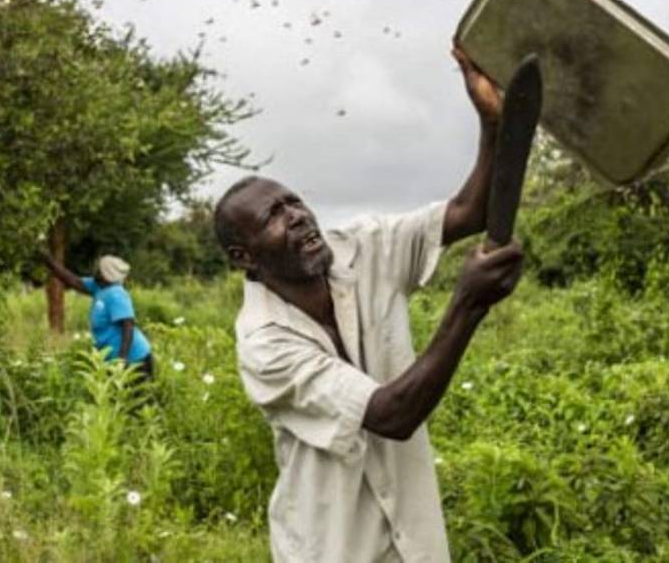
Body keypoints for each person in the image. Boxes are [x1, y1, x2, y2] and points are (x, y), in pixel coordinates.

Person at [212, 45, 525, 562]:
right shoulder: (264, 344)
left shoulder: (361, 247)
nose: (295, 216)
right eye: (272, 216)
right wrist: (467, 305)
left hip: (413, 539)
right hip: (333, 546)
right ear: (244, 257)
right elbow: (391, 414)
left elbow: (470, 211)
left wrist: (493, 124)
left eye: (294, 201)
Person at [45, 254, 154, 379]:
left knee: (137, 396)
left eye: (99, 269)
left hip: (135, 360)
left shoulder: (116, 294)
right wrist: (49, 262)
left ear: (106, 273)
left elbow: (128, 325)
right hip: (112, 360)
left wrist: (121, 360)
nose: (95, 270)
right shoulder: (99, 287)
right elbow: (74, 281)